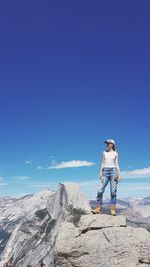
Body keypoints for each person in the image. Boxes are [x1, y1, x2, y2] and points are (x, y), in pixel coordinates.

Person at [92, 139, 121, 216]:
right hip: (105, 171)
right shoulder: (104, 152)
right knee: (100, 190)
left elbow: (117, 164)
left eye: (108, 143)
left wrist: (119, 174)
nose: (107, 145)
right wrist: (100, 172)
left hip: (114, 172)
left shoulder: (116, 153)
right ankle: (98, 208)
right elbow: (102, 163)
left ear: (112, 144)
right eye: (107, 143)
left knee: (113, 191)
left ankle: (113, 209)